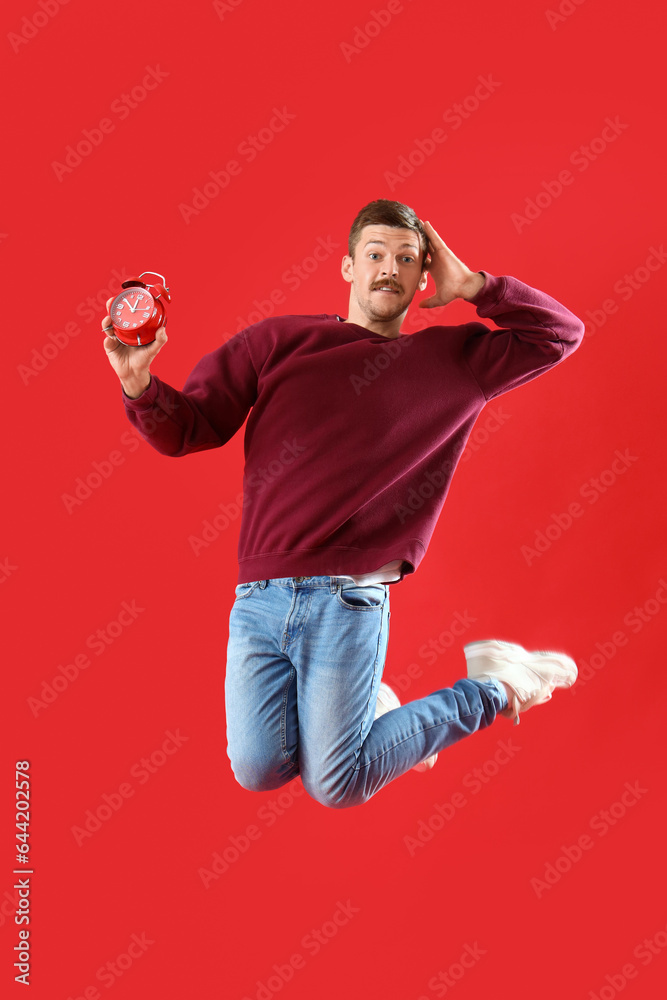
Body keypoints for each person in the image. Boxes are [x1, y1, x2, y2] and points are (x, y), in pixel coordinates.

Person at [101, 199, 584, 809]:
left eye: (407, 259)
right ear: (348, 267)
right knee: (256, 768)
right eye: (376, 255)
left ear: (423, 275)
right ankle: (373, 708)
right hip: (260, 596)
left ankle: (495, 685)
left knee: (338, 785)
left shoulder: (454, 363)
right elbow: (188, 428)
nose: (389, 269)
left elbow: (561, 334)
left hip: (349, 598)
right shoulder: (277, 342)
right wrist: (137, 383)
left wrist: (476, 287)